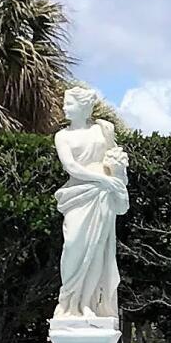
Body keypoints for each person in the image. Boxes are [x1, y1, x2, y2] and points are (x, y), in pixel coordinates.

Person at [52, 85, 127, 319]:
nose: (64, 107)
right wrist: (103, 180)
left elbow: (115, 163)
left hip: (102, 197)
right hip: (78, 194)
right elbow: (71, 167)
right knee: (72, 245)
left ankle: (86, 304)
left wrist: (116, 176)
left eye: (69, 104)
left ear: (84, 107)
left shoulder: (103, 130)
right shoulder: (62, 136)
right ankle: (67, 302)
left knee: (96, 251)